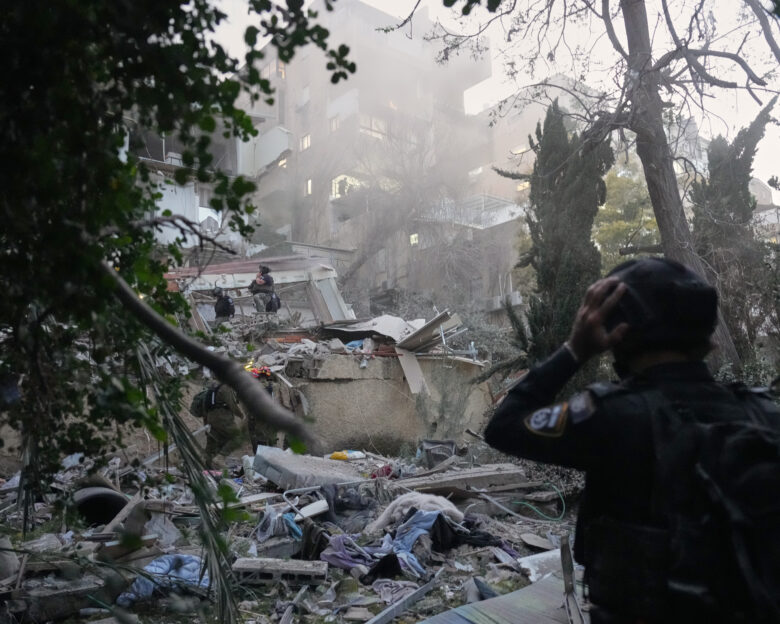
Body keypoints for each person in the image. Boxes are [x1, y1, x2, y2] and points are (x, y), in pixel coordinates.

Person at [484, 257, 779, 623]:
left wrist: (575, 350)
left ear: (617, 333)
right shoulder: (763, 414)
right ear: (707, 340)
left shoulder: (611, 415)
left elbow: (504, 426)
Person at [197, 382, 244, 467]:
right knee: (238, 437)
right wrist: (242, 416)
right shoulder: (226, 387)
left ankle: (204, 464)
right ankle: (220, 457)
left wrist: (206, 420)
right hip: (222, 417)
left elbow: (206, 406)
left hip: (211, 417)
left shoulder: (213, 387)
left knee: (214, 442)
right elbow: (232, 404)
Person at [247, 366, 278, 451]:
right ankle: (270, 455)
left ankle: (258, 455)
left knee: (257, 435)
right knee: (269, 436)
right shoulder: (273, 386)